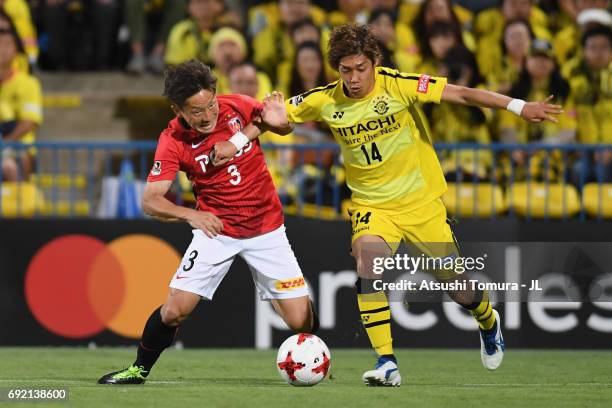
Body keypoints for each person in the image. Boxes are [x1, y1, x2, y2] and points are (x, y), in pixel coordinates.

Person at [212, 23, 563, 386]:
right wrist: (234, 144)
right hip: (371, 206)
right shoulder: (326, 99)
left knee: (460, 289)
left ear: (374, 62)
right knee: (368, 262)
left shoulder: (399, 85)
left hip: (421, 204)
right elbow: (272, 119)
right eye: (345, 70)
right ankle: (387, 362)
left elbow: (462, 94)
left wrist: (519, 107)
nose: (353, 78)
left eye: (360, 68)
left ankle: (488, 319)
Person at [97, 60, 317, 384]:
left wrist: (258, 127)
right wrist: (192, 215)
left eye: (210, 104)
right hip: (216, 229)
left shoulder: (236, 105)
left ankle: (315, 354)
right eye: (196, 111)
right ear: (178, 109)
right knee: (174, 310)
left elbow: (281, 125)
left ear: (215, 93)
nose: (207, 115)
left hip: (265, 227)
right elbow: (150, 200)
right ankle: (138, 369)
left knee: (300, 320)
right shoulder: (172, 139)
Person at [0, 28, 42, 181]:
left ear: (15, 51)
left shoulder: (28, 83)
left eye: (7, 45)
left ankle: (18, 202)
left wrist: (5, 144)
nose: (2, 50)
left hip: (18, 148)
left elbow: (29, 123)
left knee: (9, 166)